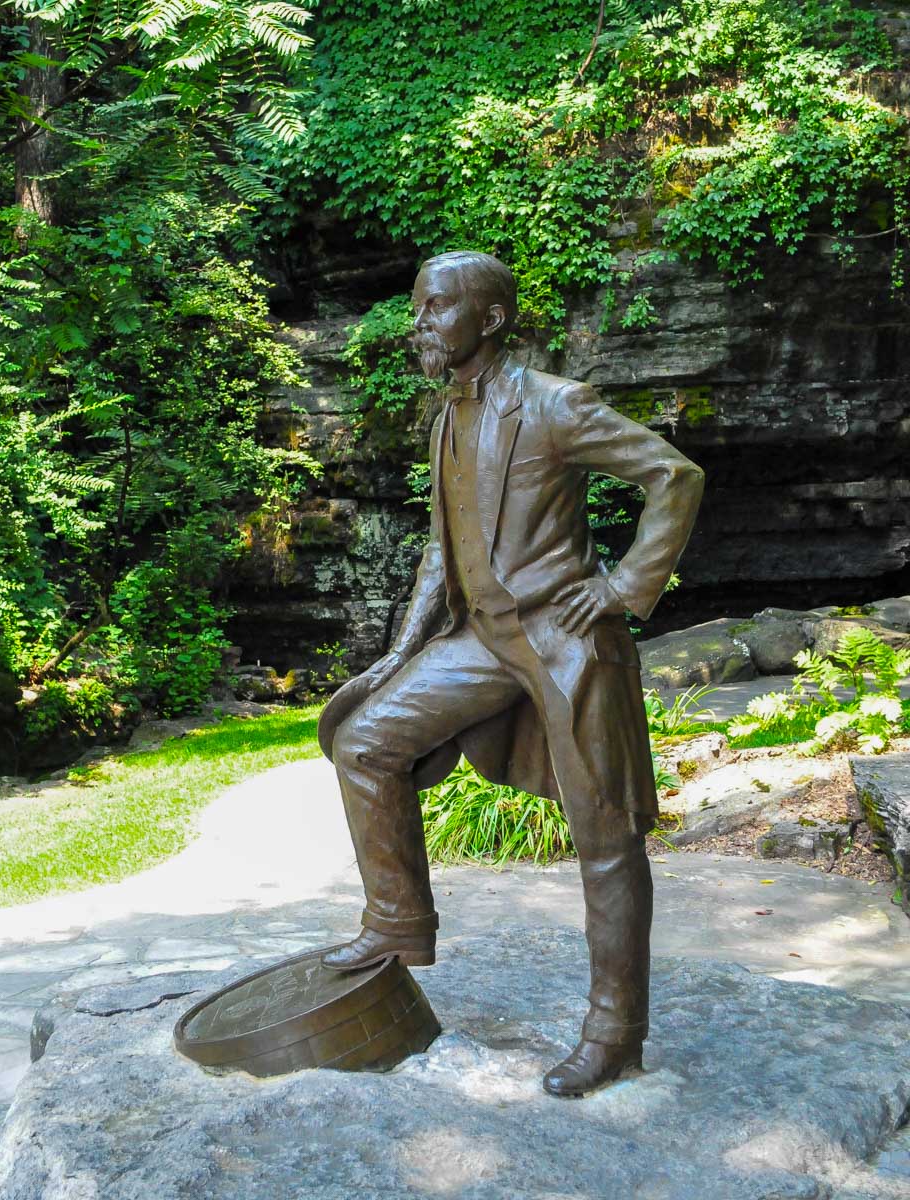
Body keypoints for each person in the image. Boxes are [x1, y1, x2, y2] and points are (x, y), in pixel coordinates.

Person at [317, 250, 704, 1096]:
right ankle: (396, 923)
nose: (418, 324)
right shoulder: (445, 416)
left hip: (565, 644)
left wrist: (620, 589)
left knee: (606, 840)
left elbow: (674, 476)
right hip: (480, 640)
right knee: (364, 740)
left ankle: (614, 1035)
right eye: (417, 308)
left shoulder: (556, 404)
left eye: (434, 308)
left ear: (488, 320)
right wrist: (402, 649)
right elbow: (441, 548)